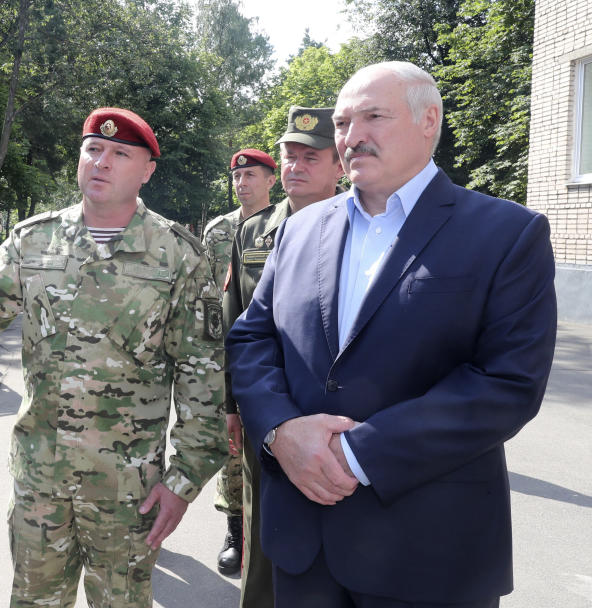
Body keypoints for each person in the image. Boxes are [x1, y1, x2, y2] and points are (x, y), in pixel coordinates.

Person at [226, 61, 557, 607]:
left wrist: (356, 454)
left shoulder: (506, 233)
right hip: (302, 546)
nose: (352, 137)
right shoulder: (300, 228)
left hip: (427, 552)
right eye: (341, 123)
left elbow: (507, 382)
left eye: (373, 117)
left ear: (429, 120)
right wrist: (281, 431)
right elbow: (253, 338)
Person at [0, 107, 228, 608]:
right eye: (93, 149)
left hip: (126, 489)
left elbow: (203, 378)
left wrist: (184, 480)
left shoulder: (178, 256)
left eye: (120, 154)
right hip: (40, 479)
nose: (102, 162)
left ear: (147, 169)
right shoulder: (34, 240)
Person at [225, 106, 344, 606]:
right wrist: (232, 405)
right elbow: (237, 322)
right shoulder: (254, 232)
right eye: (288, 156)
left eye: (310, 156)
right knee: (265, 523)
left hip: (339, 408)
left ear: (340, 165)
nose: (294, 166)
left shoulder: (365, 225)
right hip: (268, 407)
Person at [201, 148, 277, 576]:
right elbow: (209, 295)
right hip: (227, 353)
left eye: (251, 176)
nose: (242, 184)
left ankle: (269, 531)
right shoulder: (218, 231)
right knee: (232, 449)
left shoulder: (287, 223)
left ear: (272, 179)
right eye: (237, 177)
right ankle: (236, 530)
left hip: (272, 354)